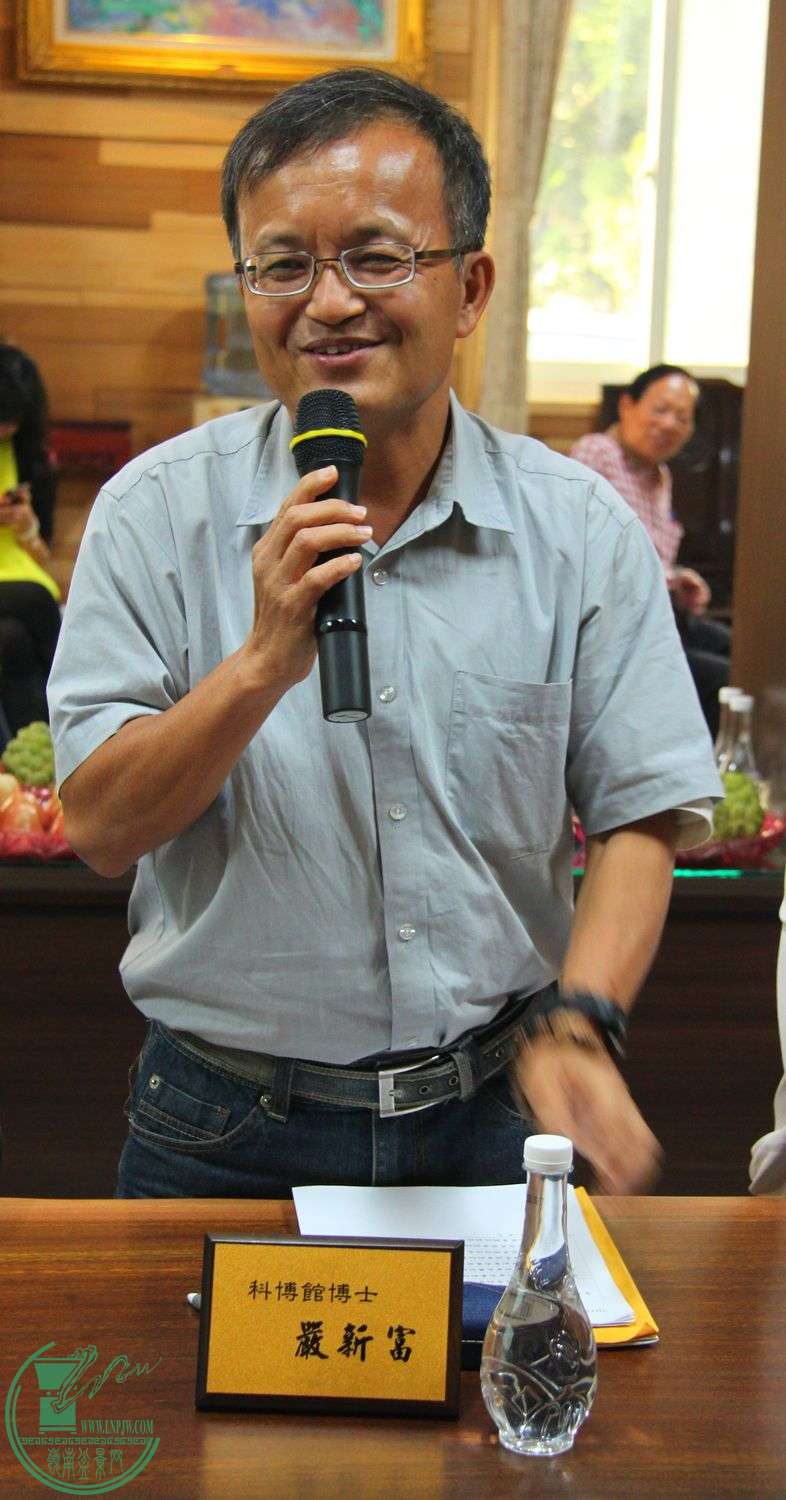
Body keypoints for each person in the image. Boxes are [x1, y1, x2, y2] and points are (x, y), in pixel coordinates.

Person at [47, 69, 721, 1203]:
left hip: (495, 1116)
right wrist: (260, 666)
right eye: (282, 265)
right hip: (224, 1126)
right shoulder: (152, 514)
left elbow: (641, 810)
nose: (327, 304)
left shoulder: (576, 527)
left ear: (470, 288)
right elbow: (103, 828)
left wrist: (583, 1019)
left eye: (375, 257)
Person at [570, 365, 731, 739]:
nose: (670, 424)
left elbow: (652, 556)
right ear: (627, 406)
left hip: (661, 612)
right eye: (660, 409)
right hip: (617, 625)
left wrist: (678, 578)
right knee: (722, 678)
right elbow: (594, 552)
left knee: (738, 650)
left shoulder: (660, 475)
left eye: (683, 418)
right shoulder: (597, 453)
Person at [0, 343, 61, 739]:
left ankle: (32, 753)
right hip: (23, 594)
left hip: (14, 583)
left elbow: (42, 556)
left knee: (12, 638)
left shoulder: (29, 460)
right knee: (38, 601)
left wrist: (26, 527)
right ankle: (72, 718)